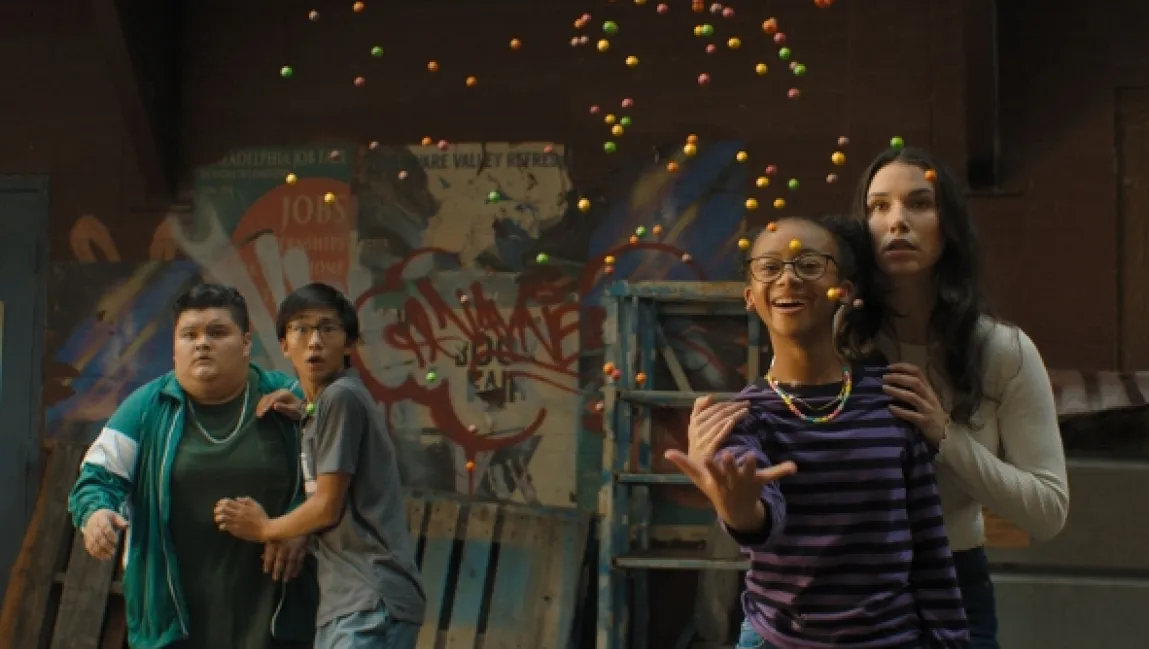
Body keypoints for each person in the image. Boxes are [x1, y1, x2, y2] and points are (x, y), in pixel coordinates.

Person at [667, 214, 970, 649]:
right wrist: (740, 510)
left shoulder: (894, 399)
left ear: (844, 291)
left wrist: (951, 640)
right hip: (779, 640)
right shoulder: (742, 417)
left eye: (808, 265)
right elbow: (762, 514)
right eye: (769, 268)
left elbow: (929, 543)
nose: (788, 278)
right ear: (750, 297)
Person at [857, 147, 1068, 648]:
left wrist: (945, 437)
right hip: (847, 582)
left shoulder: (1002, 350)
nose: (897, 221)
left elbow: (1048, 511)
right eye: (879, 206)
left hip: (953, 582)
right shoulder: (839, 340)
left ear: (948, 225)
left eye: (919, 203)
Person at [67, 283, 318, 649]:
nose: (202, 344)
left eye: (217, 332)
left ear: (246, 343)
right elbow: (96, 478)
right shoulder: (146, 407)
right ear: (174, 348)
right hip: (173, 618)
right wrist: (96, 514)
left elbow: (333, 479)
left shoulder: (287, 400)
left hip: (275, 613)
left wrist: (299, 528)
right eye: (190, 335)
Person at [213, 282, 426, 649]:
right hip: (350, 604)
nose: (314, 341)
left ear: (350, 343)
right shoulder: (323, 406)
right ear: (284, 345)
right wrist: (304, 411)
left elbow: (327, 506)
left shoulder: (340, 398)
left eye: (328, 328)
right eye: (301, 329)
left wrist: (266, 528)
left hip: (370, 599)